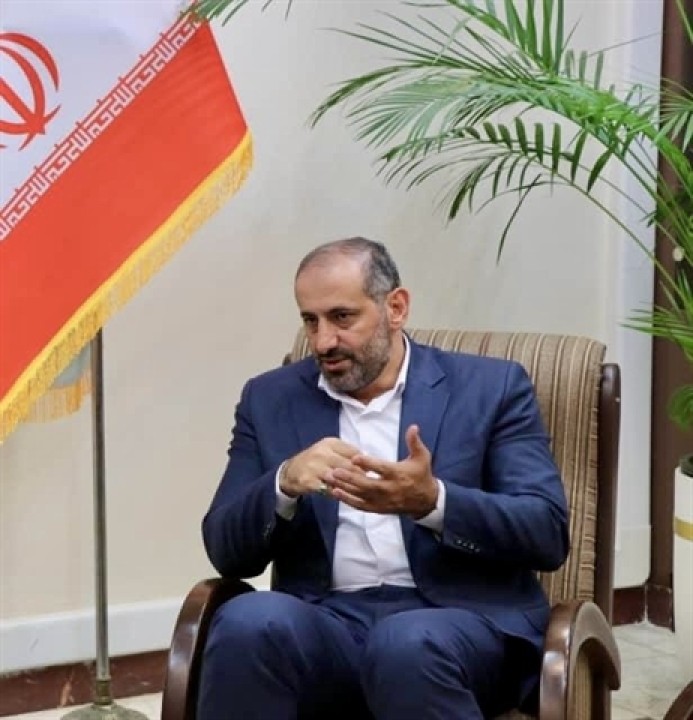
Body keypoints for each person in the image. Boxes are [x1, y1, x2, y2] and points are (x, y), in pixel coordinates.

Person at [198, 237, 569, 720]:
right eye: (310, 321)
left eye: (342, 317)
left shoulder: (491, 387)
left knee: (406, 643)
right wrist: (283, 484)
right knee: (246, 621)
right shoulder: (269, 398)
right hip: (327, 624)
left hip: (457, 624)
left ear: (396, 308)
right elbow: (226, 550)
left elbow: (546, 531)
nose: (323, 341)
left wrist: (432, 502)